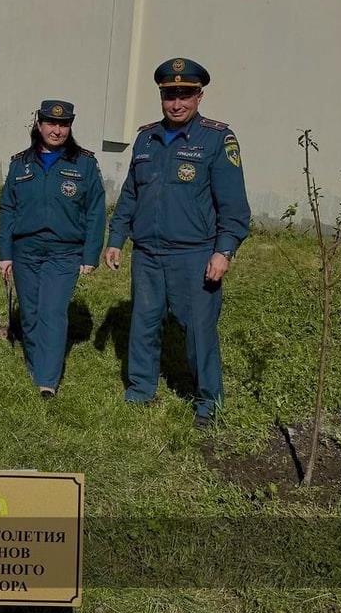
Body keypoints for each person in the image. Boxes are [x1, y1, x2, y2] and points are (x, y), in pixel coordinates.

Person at [104, 57, 251, 429]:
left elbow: (234, 206)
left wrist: (224, 250)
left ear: (199, 96)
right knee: (144, 323)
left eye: (185, 95)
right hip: (148, 254)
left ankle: (208, 402)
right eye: (170, 95)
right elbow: (131, 194)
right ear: (161, 97)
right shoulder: (146, 138)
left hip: (194, 254)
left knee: (199, 331)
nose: (177, 103)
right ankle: (140, 390)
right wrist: (116, 237)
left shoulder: (217, 139)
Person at [0, 100, 106, 399]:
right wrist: (4, 252)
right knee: (30, 313)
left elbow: (96, 211)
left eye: (63, 124)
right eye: (51, 123)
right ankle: (36, 363)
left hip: (64, 251)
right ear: (39, 124)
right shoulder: (20, 163)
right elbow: (7, 209)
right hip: (25, 250)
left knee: (53, 312)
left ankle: (47, 379)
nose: (57, 130)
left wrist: (90, 254)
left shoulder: (84, 163)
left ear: (70, 127)